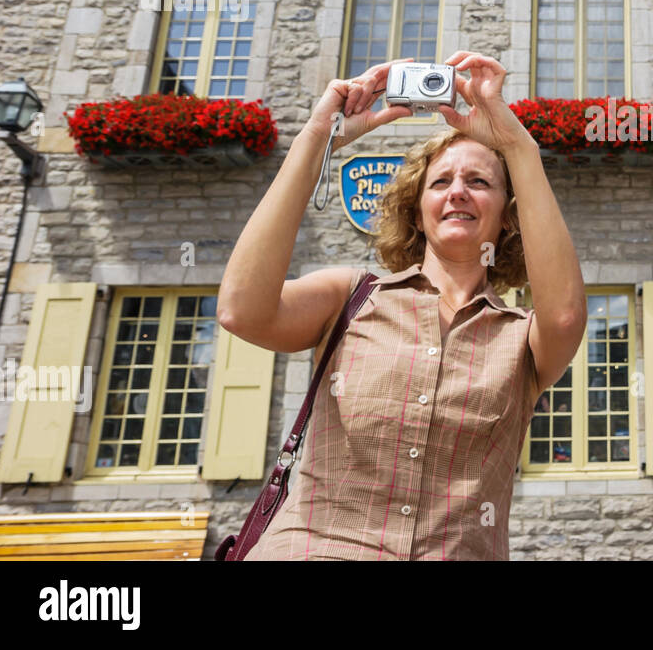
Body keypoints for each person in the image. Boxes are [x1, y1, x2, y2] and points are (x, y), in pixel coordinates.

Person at [217, 51, 586, 560]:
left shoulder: (523, 337)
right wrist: (317, 138)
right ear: (417, 209)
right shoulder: (349, 297)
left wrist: (518, 147)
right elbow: (241, 309)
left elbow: (565, 315)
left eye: (479, 182)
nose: (458, 191)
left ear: (508, 217)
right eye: (441, 182)